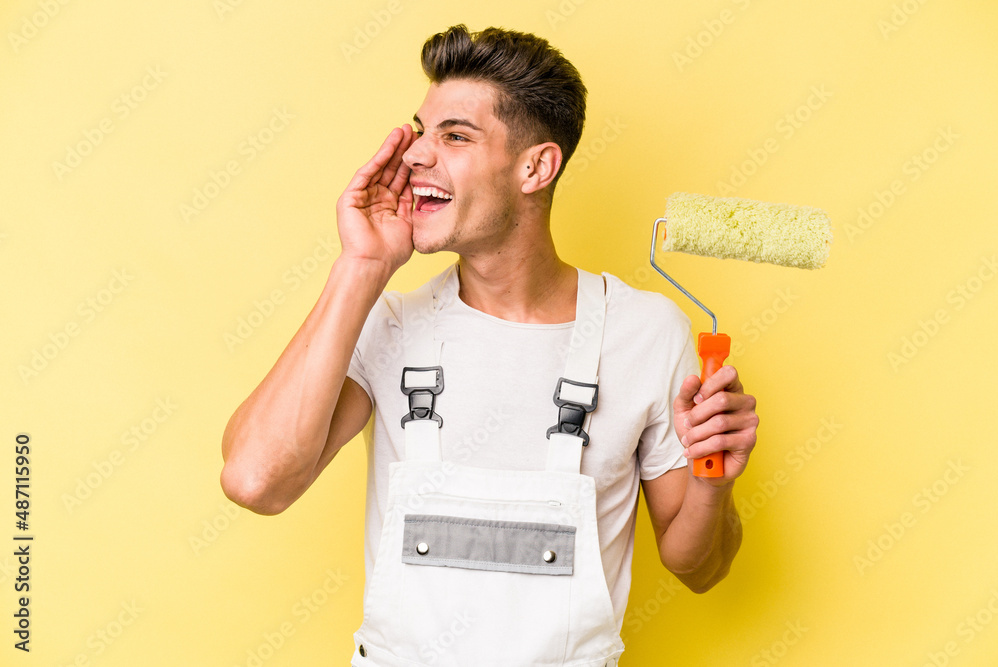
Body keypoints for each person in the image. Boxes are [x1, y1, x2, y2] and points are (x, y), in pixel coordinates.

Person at [221, 24, 758, 666]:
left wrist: (714, 483)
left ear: (535, 167)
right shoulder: (387, 324)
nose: (416, 154)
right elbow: (256, 482)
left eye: (454, 136)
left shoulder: (645, 332)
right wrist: (361, 266)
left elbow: (699, 568)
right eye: (420, 131)